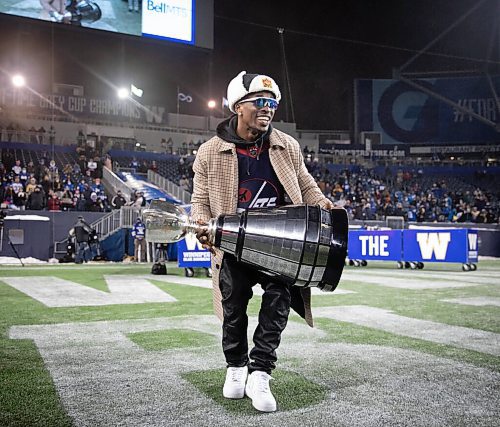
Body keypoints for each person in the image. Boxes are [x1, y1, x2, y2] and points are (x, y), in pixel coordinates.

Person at [190, 71, 335, 413]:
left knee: (279, 300)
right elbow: (199, 200)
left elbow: (307, 185)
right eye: (260, 102)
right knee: (233, 306)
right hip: (233, 243)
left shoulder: (287, 145)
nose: (268, 109)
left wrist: (326, 207)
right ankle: (236, 367)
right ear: (239, 107)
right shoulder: (210, 152)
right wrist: (200, 221)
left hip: (280, 243)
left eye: (272, 103)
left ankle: (261, 370)